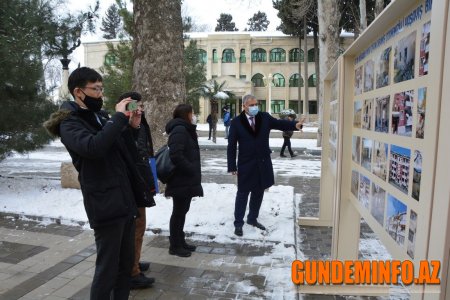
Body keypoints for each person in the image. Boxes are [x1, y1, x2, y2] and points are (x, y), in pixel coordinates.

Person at [43, 67, 143, 299]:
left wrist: (133, 126)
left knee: (125, 266)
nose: (100, 94)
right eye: (95, 89)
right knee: (107, 269)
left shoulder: (100, 116)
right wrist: (118, 118)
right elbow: (93, 148)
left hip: (124, 198)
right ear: (78, 92)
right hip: (104, 201)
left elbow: (120, 148)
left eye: (101, 89)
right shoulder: (69, 123)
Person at [227, 94, 303, 237]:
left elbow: (280, 124)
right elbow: (231, 146)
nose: (255, 107)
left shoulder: (265, 117)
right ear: (244, 106)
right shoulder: (236, 122)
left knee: (258, 191)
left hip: (262, 162)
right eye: (251, 105)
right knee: (242, 193)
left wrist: (295, 124)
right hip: (246, 163)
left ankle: (252, 218)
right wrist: (232, 166)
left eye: (256, 104)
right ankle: (238, 223)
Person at [117, 92, 156, 289]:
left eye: (139, 105)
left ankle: (134, 261)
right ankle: (132, 271)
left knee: (139, 227)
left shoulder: (138, 123)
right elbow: (135, 156)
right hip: (133, 184)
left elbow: (145, 154)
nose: (138, 109)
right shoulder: (120, 126)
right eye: (132, 106)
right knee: (137, 228)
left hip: (140, 180)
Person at [165, 104, 203, 257]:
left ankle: (180, 241)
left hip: (185, 179)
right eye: (192, 113)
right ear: (186, 115)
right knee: (178, 212)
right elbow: (176, 155)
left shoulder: (185, 129)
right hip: (180, 179)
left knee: (182, 211)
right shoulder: (180, 130)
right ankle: (175, 245)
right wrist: (190, 168)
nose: (194, 116)